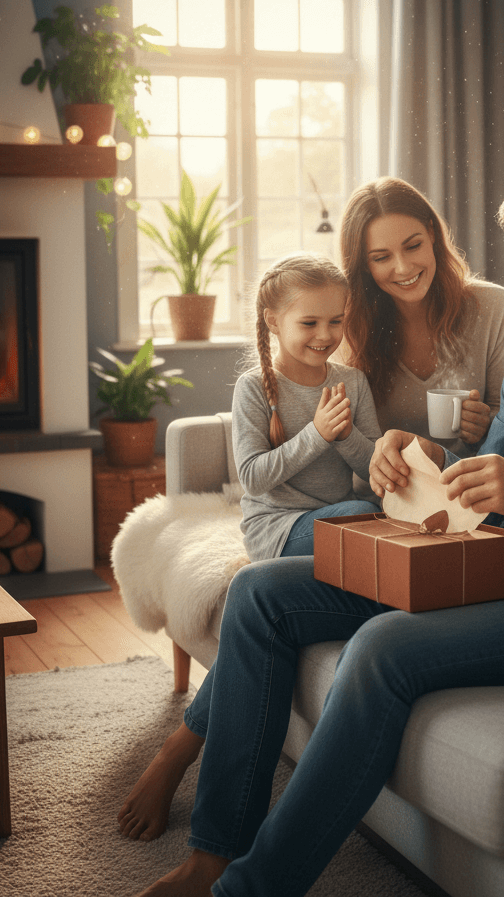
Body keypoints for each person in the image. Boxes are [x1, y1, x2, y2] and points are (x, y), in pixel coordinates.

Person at [126, 166, 504, 897]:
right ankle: (214, 853)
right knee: (260, 594)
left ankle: (253, 889)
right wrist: (414, 455)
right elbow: (491, 471)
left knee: (384, 648)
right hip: (488, 558)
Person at [117, 252, 381, 842]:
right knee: (361, 517)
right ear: (272, 320)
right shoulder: (254, 388)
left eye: (335, 322)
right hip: (277, 530)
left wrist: (349, 439)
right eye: (309, 323)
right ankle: (185, 765)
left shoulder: (352, 383)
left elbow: (370, 465)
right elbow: (255, 477)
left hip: (334, 521)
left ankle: (179, 751)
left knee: (361, 516)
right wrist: (318, 433)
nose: (325, 336)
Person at [339, 176, 504, 454]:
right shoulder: (346, 326)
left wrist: (485, 427)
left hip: (465, 485)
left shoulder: (493, 306)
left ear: (432, 234)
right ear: (364, 265)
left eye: (413, 246)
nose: (403, 268)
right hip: (383, 490)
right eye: (381, 258)